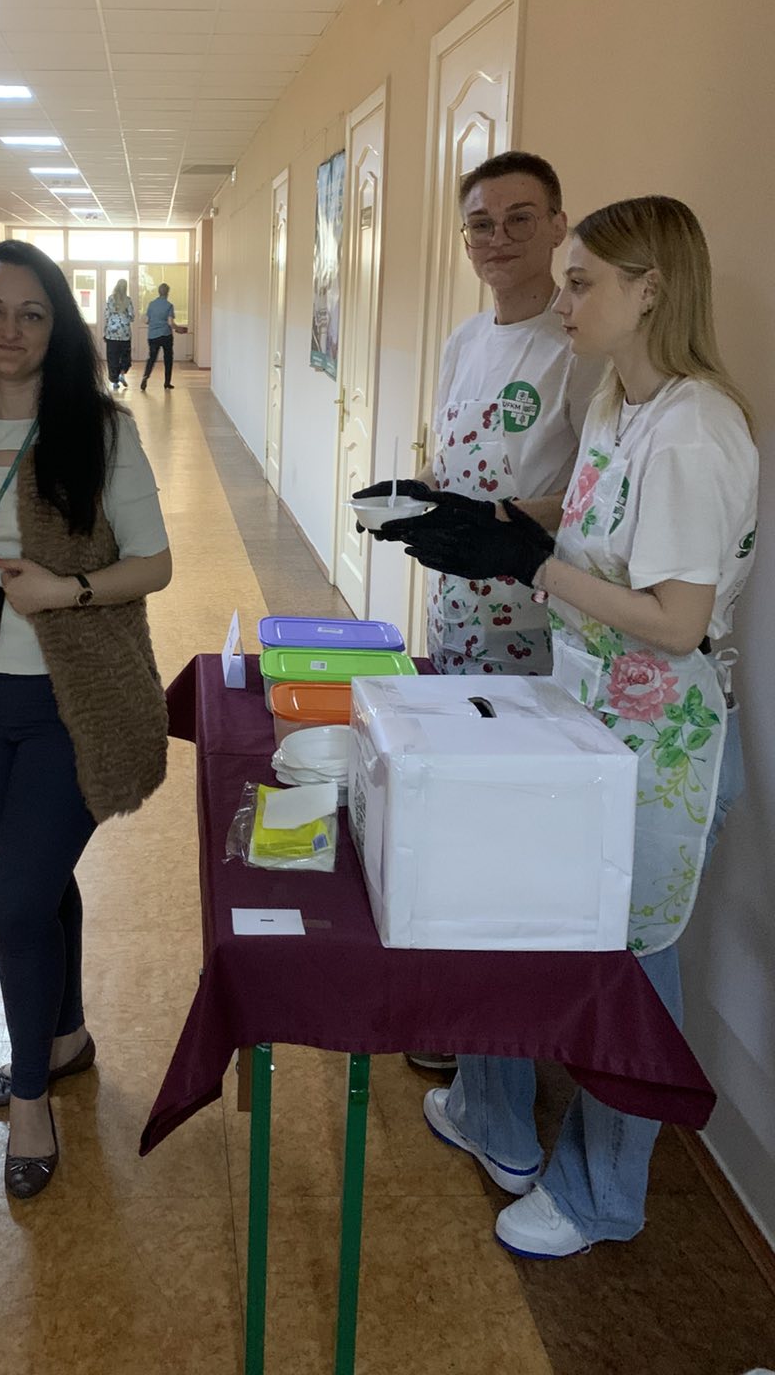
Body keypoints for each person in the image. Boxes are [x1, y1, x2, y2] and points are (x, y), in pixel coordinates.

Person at [384, 195, 758, 1257]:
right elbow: (590, 524)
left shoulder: (695, 431)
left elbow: (678, 620)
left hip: (662, 746)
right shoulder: (617, 404)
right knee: (526, 911)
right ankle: (493, 1115)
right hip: (587, 714)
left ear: (652, 291)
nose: (565, 301)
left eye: (584, 282)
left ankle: (604, 1194)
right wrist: (481, 518)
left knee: (626, 969)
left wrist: (529, 564)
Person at [0, 240, 171, 1199]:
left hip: (78, 699)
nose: (10, 330)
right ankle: (63, 1038)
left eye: (32, 313)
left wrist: (64, 590)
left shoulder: (99, 430)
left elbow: (154, 563)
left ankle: (31, 1098)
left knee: (17, 898)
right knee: (41, 875)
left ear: (59, 325)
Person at [361, 151, 602, 680]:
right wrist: (412, 495)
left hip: (538, 610)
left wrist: (492, 519)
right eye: (481, 224)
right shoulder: (464, 341)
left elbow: (599, 500)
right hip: (454, 603)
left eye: (520, 219)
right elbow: (450, 457)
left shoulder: (580, 350)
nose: (499, 238)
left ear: (557, 226)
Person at [140, 283, 176, 391]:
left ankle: (145, 376)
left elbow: (147, 320)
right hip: (166, 335)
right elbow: (170, 322)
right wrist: (178, 328)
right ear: (167, 293)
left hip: (153, 336)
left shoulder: (152, 304)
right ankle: (167, 383)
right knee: (168, 358)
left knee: (152, 358)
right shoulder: (169, 305)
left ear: (158, 292)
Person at [103, 276, 134, 390]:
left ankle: (115, 381)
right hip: (125, 333)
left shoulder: (111, 299)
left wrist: (107, 327)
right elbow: (131, 316)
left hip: (111, 332)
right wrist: (124, 318)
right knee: (125, 355)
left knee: (112, 356)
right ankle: (122, 373)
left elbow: (106, 315)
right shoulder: (128, 300)